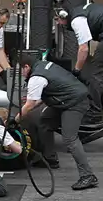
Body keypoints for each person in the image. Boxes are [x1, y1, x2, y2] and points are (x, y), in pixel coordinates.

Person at [17, 53, 98, 191]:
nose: (21, 74)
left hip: (75, 103)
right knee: (45, 122)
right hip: (66, 99)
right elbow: (45, 94)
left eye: (21, 71)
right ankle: (50, 159)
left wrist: (15, 120)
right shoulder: (43, 65)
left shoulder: (36, 77)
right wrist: (33, 99)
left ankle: (88, 176)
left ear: (26, 67)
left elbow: (29, 105)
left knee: (70, 139)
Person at [55, 2, 103, 124]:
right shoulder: (81, 11)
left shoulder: (77, 20)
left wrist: (76, 70)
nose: (58, 23)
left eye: (58, 19)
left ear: (64, 16)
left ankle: (94, 113)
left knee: (96, 72)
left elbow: (83, 49)